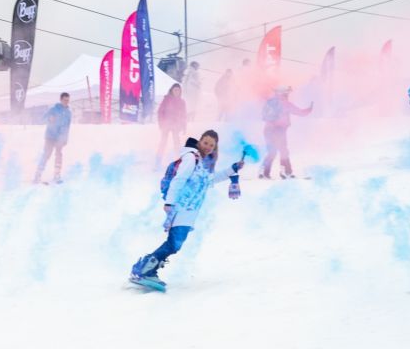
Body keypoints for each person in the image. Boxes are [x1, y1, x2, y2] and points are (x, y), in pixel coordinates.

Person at [131, 129, 252, 287]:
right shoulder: (191, 157)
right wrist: (170, 203)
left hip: (189, 210)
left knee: (175, 243)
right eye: (206, 142)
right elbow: (179, 179)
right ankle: (143, 271)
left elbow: (208, 181)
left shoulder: (201, 162)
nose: (208, 147)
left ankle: (147, 269)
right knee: (174, 243)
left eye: (212, 145)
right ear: (200, 141)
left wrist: (232, 169)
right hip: (181, 207)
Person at [259, 86, 314, 179]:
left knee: (272, 152)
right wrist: (309, 110)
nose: (287, 95)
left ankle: (264, 172)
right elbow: (300, 112)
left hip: (268, 130)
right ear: (283, 94)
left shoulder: (270, 103)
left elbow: (264, 116)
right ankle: (286, 172)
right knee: (283, 151)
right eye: (286, 93)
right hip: (279, 130)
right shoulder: (285, 104)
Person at [34, 92, 73, 184]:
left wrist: (65, 139)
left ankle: (57, 175)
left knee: (59, 156)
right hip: (50, 136)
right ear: (60, 100)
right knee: (47, 155)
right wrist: (49, 119)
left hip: (60, 138)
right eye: (64, 100)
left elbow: (68, 126)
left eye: (68, 100)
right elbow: (42, 119)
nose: (66, 102)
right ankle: (38, 175)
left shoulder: (69, 112)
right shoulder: (53, 109)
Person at [156, 83, 189, 167]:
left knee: (177, 144)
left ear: (180, 91)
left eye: (178, 90)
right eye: (175, 90)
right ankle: (158, 161)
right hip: (166, 125)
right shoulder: (166, 99)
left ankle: (177, 162)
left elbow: (184, 115)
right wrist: (161, 123)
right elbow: (160, 112)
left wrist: (184, 126)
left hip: (176, 126)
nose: (177, 92)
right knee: (163, 143)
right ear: (171, 90)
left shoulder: (182, 102)